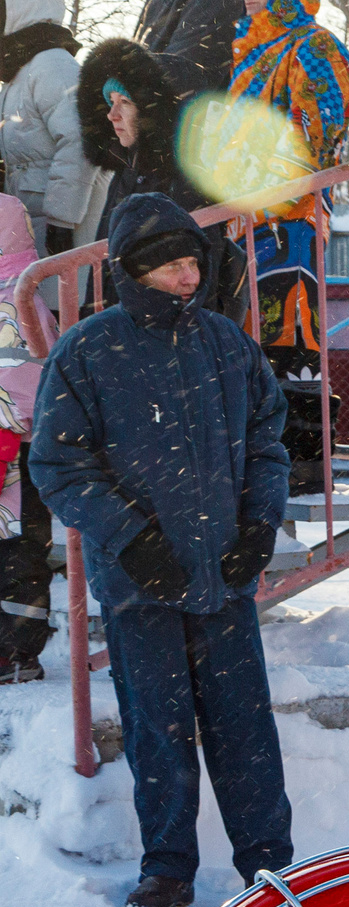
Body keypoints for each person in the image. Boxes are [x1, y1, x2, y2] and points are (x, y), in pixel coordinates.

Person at [31, 191, 292, 907]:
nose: (188, 276)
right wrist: (132, 538)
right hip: (141, 584)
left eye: (192, 262)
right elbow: (57, 464)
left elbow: (268, 442)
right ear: (136, 269)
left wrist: (257, 529)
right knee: (158, 727)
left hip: (225, 579)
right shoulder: (88, 350)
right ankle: (168, 866)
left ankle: (269, 866)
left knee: (245, 726)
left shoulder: (225, 342)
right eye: (174, 264)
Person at [225, 0, 349, 494]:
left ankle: (298, 464)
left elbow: (321, 136)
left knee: (292, 336)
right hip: (244, 216)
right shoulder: (246, 48)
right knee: (254, 337)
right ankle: (261, 460)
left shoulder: (313, 44)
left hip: (289, 215)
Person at [77, 37, 250, 315]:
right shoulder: (130, 169)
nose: (112, 115)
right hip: (124, 332)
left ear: (154, 112)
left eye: (125, 102)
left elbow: (195, 282)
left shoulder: (188, 178)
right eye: (110, 101)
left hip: (164, 340)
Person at [0, 193, 54, 683]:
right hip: (20, 457)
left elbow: (28, 383)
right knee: (20, 556)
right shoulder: (27, 295)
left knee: (20, 557)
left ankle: (17, 653)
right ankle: (16, 648)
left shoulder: (17, 303)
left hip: (18, 457)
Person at [1, 0, 101, 255]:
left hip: (66, 227)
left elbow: (80, 140)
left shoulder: (53, 65)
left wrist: (62, 220)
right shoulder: (17, 76)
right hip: (34, 223)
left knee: (66, 294)